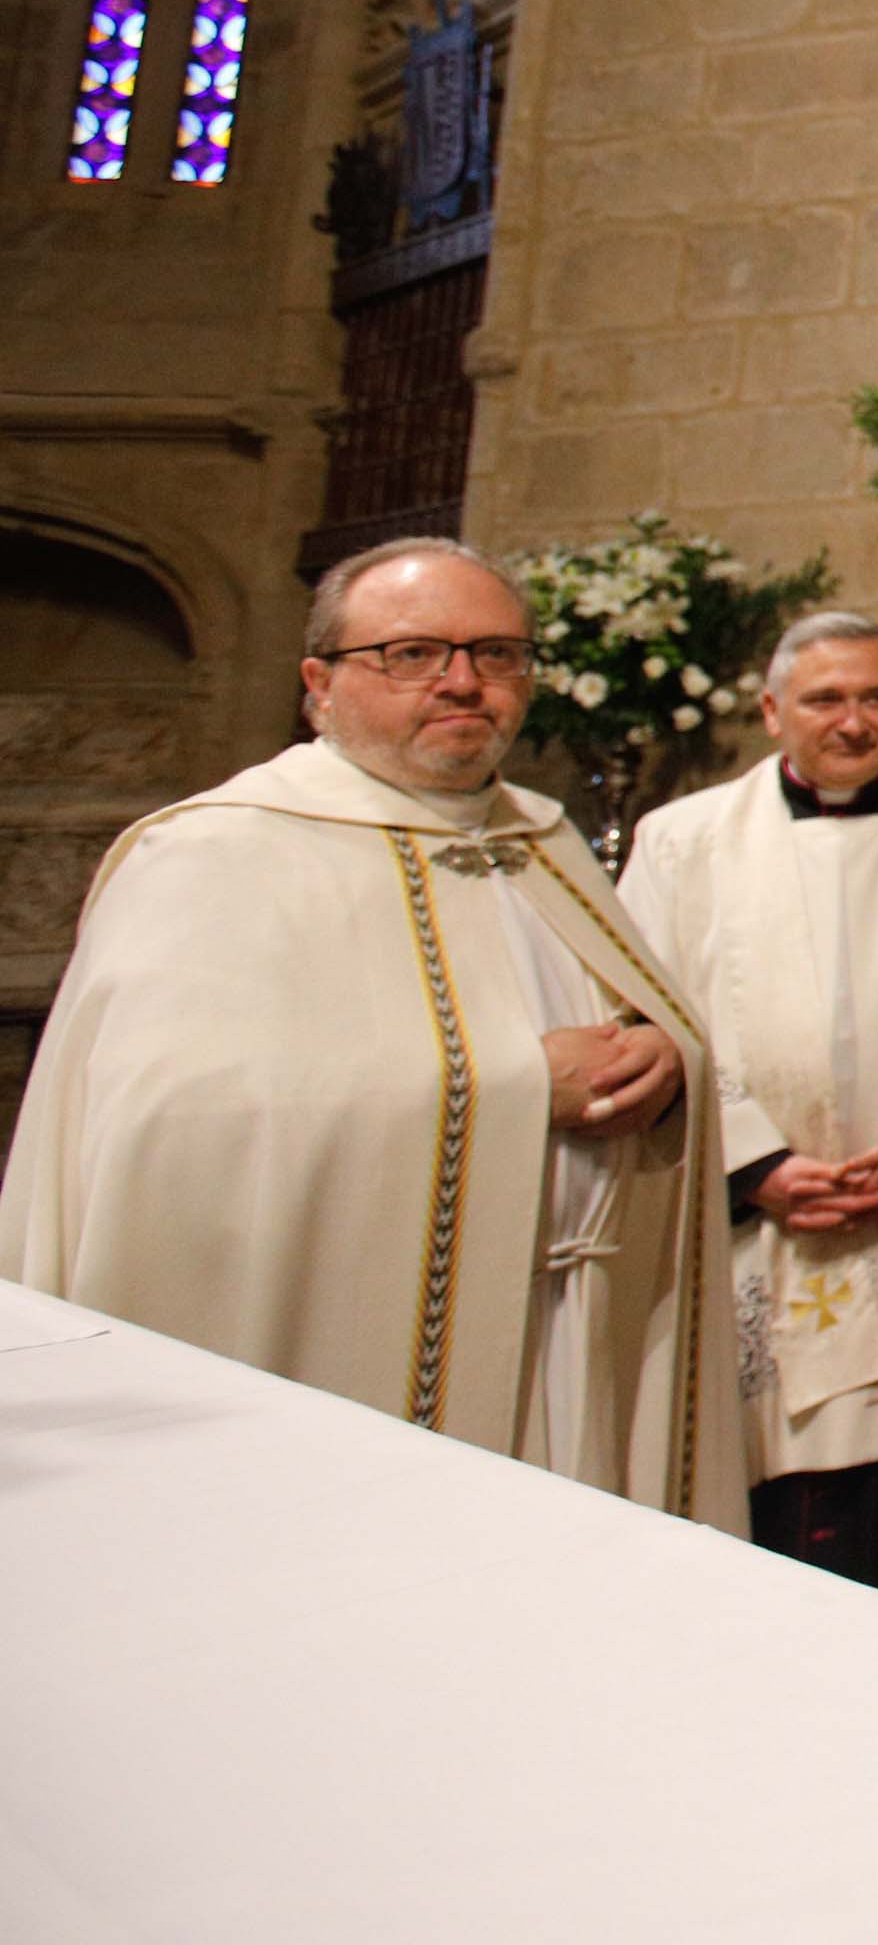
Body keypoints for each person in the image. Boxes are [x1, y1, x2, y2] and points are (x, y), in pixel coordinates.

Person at [1, 538, 744, 1528]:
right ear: (320, 682)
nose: (462, 682)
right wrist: (517, 1088)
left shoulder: (542, 841)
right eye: (412, 654)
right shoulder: (218, 851)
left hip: (571, 1336)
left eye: (497, 654)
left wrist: (664, 1055)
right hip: (363, 1356)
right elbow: (173, 1126)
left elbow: (631, 1018)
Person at [618, 610, 878, 1616]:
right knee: (766, 1486)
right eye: (826, 699)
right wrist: (754, 1166)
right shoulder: (681, 842)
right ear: (773, 712)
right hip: (758, 1227)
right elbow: (648, 1018)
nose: (854, 722)